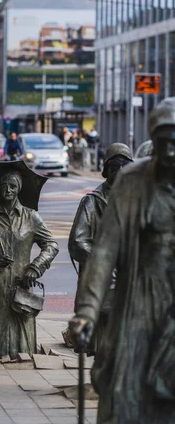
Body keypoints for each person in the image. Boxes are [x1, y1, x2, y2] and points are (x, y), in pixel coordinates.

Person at [70, 97, 175, 424]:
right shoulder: (131, 183)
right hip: (136, 305)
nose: (170, 151)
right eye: (163, 141)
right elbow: (103, 253)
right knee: (123, 394)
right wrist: (86, 311)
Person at [0, 170, 59, 359]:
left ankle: (22, 354)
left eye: (12, 186)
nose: (7, 190)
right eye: (4, 186)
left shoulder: (31, 217)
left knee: (21, 331)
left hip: (21, 282)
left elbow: (51, 245)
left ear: (19, 189)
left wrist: (35, 267)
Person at [67, 143, 133, 352]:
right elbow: (77, 242)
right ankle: (99, 380)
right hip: (100, 280)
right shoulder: (92, 202)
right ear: (107, 171)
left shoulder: (136, 201)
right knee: (103, 337)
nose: (120, 172)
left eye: (125, 167)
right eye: (115, 167)